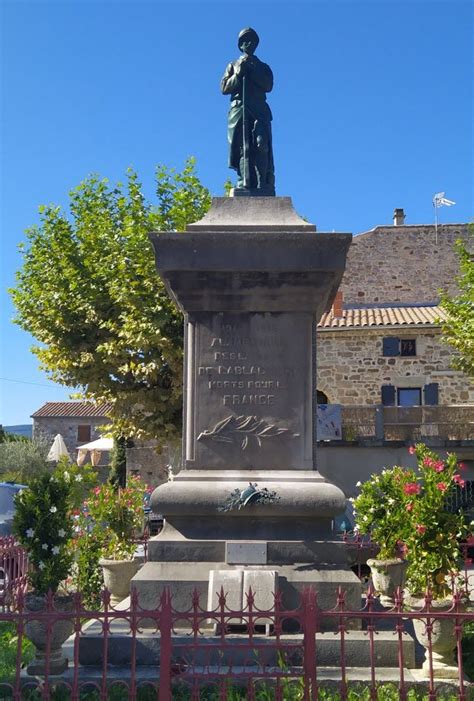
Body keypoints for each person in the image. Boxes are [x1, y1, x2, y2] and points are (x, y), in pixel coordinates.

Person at [221, 27, 275, 194]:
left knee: (261, 145)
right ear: (240, 45)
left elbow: (268, 85)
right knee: (242, 147)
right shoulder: (233, 65)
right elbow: (224, 88)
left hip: (259, 108)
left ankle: (262, 183)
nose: (248, 43)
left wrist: (252, 71)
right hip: (239, 108)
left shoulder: (263, 66)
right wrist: (238, 74)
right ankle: (244, 180)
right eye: (245, 41)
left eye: (252, 40)